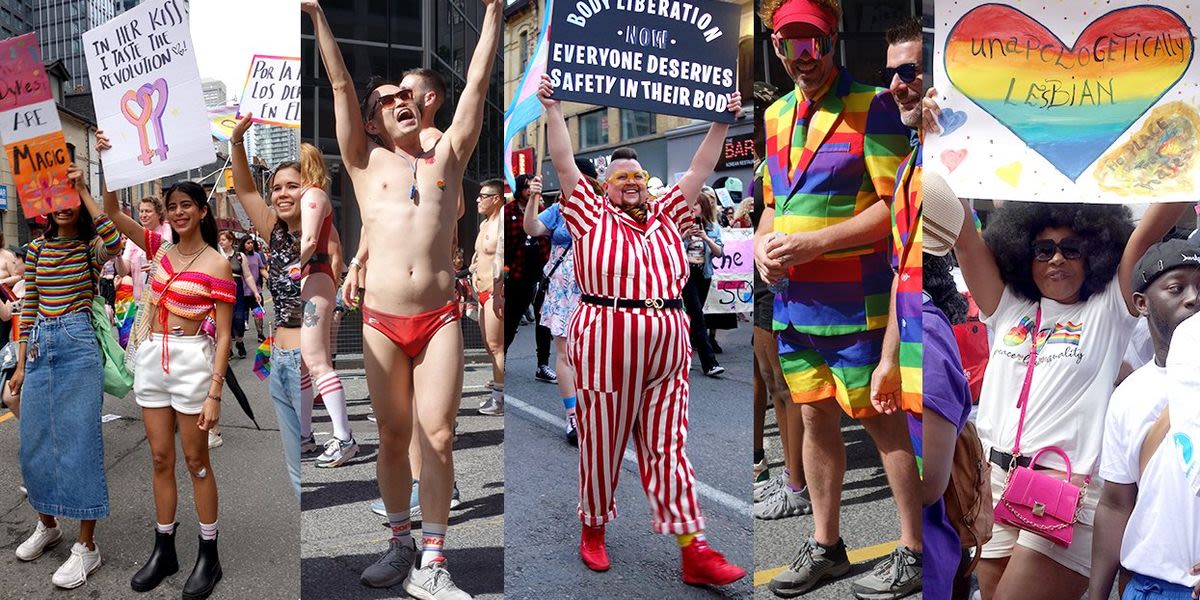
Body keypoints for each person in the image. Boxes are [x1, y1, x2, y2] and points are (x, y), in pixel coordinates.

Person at [925, 79, 1193, 593]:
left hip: (1066, 492)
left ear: (1095, 250)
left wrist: (1188, 132)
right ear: (1022, 249)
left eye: (1072, 248)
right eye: (1043, 248)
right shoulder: (1007, 306)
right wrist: (934, 129)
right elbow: (955, 220)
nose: (1056, 259)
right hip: (993, 482)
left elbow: (1158, 220)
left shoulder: (1108, 308)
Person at [305, 0, 500, 596]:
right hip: (380, 321)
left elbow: (477, 85)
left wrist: (493, 11)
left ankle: (433, 561)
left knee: (438, 434)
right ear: (370, 122)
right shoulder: (364, 163)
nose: (400, 102)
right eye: (387, 100)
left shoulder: (448, 155)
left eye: (405, 95)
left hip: (440, 317)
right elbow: (338, 80)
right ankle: (398, 543)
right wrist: (315, 13)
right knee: (393, 435)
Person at [538, 73, 747, 586]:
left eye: (636, 176)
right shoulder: (588, 213)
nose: (630, 182)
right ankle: (593, 528)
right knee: (603, 442)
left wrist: (720, 122)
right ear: (605, 185)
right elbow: (565, 163)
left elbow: (701, 167)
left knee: (668, 445)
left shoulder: (669, 213)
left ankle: (692, 547)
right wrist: (553, 109)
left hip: (667, 339)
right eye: (619, 177)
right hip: (604, 336)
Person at [755, 1, 923, 596]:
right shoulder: (774, 115)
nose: (801, 59)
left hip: (858, 303)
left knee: (882, 422)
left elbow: (894, 207)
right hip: (794, 305)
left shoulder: (874, 104)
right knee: (813, 416)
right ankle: (827, 544)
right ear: (776, 49)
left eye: (812, 45)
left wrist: (818, 242)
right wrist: (761, 246)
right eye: (787, 46)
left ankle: (914, 549)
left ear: (832, 42)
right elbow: (773, 203)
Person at [95, 132, 235, 596]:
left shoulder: (217, 264)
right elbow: (113, 213)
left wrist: (215, 393)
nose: (178, 212)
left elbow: (226, 333)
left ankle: (208, 555)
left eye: (186, 206)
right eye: (172, 205)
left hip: (194, 362)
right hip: (153, 358)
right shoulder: (157, 248)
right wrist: (106, 162)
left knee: (196, 460)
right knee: (160, 458)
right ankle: (165, 548)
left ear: (201, 211)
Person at [10, 164, 122, 589]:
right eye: (57, 200)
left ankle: (87, 546)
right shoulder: (37, 250)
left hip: (78, 347)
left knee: (80, 445)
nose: (62, 207)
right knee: (34, 443)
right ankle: (48, 524)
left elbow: (113, 240)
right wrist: (21, 364)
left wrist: (84, 188)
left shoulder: (90, 248)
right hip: (38, 347)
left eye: (69, 201)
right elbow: (29, 306)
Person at [1089, 239, 1200, 600]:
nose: (1193, 298)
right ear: (1141, 303)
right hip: (1148, 588)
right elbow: (1116, 502)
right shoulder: (1128, 395)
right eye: (1176, 288)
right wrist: (1097, 594)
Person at [229, 115, 305, 500]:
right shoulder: (273, 231)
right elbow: (244, 190)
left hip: (310, 361)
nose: (282, 193)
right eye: (277, 187)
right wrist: (237, 142)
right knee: (296, 472)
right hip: (279, 357)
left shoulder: (321, 231)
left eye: (293, 185)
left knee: (310, 469)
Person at [297, 142, 358, 468]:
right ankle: (306, 436)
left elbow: (310, 243)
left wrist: (288, 269)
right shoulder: (311, 197)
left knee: (317, 362)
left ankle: (344, 437)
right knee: (305, 365)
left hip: (313, 278)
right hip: (311, 278)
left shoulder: (313, 196)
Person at [522, 170, 587, 443]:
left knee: (591, 354)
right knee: (565, 353)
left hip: (593, 288)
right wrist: (534, 199)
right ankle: (572, 415)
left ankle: (596, 410)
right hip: (561, 289)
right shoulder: (559, 209)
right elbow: (532, 228)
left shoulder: (603, 208)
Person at [504, 173, 556, 383]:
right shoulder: (508, 212)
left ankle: (542, 365)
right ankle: (502, 358)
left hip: (541, 272)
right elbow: (504, 243)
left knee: (544, 320)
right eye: (526, 188)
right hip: (518, 274)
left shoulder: (541, 211)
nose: (529, 191)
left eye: (531, 187)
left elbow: (547, 236)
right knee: (511, 319)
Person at [682, 188, 726, 378]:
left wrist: (705, 238)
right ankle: (710, 363)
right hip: (686, 274)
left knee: (693, 317)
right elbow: (671, 248)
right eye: (690, 206)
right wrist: (684, 236)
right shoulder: (682, 226)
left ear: (703, 207)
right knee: (698, 317)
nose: (692, 209)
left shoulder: (712, 228)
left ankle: (681, 354)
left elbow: (719, 253)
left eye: (696, 205)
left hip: (703, 274)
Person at [472, 179, 505, 416]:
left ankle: (500, 396)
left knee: (496, 345)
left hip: (497, 291)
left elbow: (503, 259)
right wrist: (473, 269)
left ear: (496, 199)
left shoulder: (502, 222)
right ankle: (498, 390)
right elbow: (478, 255)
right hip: (482, 292)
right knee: (489, 345)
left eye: (483, 196)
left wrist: (501, 291)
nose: (478, 200)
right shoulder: (485, 224)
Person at [242, 237, 268, 342]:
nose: (250, 245)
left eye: (252, 243)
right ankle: (239, 339)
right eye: (248, 243)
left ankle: (260, 334)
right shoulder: (239, 257)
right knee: (241, 316)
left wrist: (269, 278)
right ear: (243, 244)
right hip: (242, 291)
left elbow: (262, 269)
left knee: (258, 313)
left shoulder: (256, 256)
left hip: (256, 291)